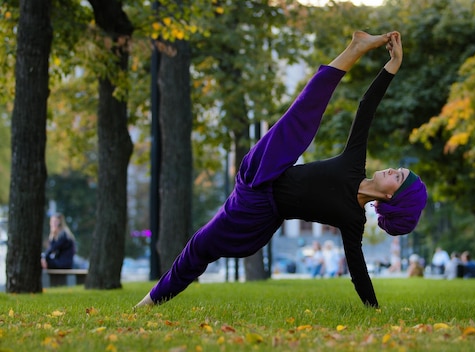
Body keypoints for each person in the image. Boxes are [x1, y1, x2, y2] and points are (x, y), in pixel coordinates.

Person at [135, 30, 427, 309]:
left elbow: (357, 269)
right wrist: (392, 65)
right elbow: (367, 106)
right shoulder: (354, 164)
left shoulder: (353, 220)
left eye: (398, 176)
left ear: (392, 198)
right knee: (303, 116)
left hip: (259, 211)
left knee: (200, 247)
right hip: (267, 167)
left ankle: (149, 302)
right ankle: (355, 48)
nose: (391, 170)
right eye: (397, 169)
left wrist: (373, 310)